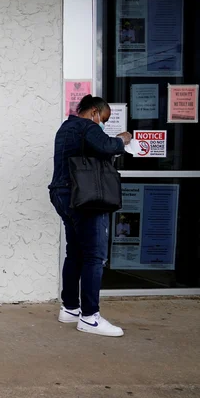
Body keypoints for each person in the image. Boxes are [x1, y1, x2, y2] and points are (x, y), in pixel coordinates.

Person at [48, 95, 132, 337]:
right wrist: (122, 140)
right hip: (85, 198)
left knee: (75, 252)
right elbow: (107, 146)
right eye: (102, 119)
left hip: (63, 194)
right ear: (94, 112)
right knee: (94, 256)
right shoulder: (87, 126)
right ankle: (90, 317)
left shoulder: (66, 127)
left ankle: (71, 308)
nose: (101, 123)